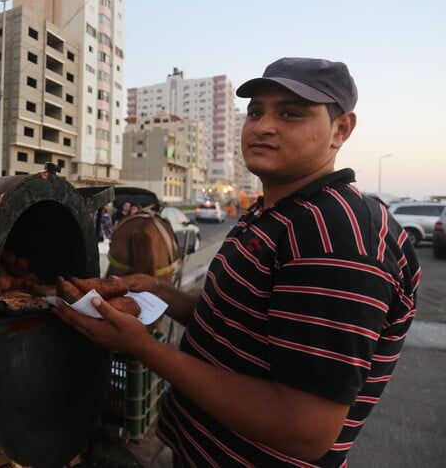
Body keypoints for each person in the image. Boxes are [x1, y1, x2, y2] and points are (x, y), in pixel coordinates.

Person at [55, 57, 419, 466]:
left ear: (341, 129)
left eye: (291, 113)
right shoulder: (275, 212)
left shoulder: (337, 236)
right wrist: (163, 293)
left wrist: (141, 348)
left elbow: (304, 429)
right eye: (255, 112)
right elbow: (241, 323)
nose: (263, 126)